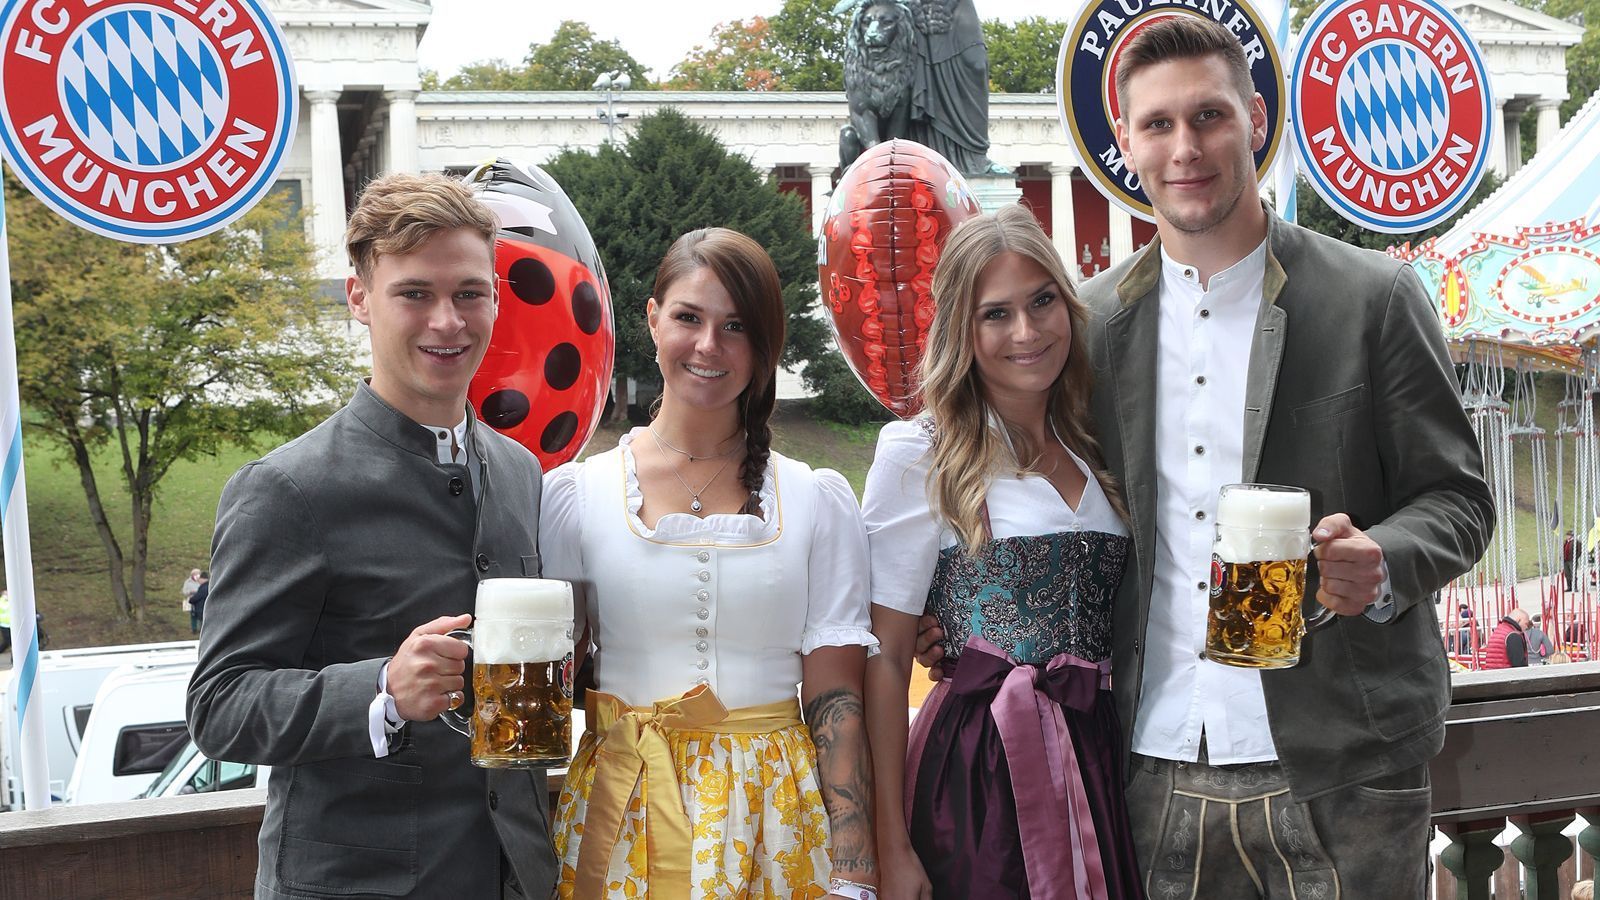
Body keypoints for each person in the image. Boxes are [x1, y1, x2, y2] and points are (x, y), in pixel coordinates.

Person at [916, 16, 1492, 898]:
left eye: (1210, 116)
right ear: (1126, 144)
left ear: (1255, 119)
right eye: (1157, 124)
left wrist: (1381, 564)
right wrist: (948, 610)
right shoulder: (1090, 324)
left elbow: (1457, 497)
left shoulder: (1372, 297)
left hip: (1343, 770)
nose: (1186, 148)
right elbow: (1010, 474)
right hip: (1150, 766)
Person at [187, 173, 557, 900]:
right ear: (359, 298)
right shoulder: (287, 488)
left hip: (511, 878)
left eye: (469, 293)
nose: (447, 321)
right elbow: (219, 706)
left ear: (496, 299)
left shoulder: (519, 471)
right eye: (415, 293)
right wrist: (382, 688)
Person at [540, 227, 879, 898]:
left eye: (735, 327)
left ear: (764, 347)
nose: (707, 346)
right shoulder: (575, 496)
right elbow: (555, 676)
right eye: (688, 318)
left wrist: (854, 865)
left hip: (778, 820)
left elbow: (836, 698)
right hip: (623, 805)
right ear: (651, 320)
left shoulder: (815, 499)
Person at [863, 205, 1143, 900]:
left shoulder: (1098, 438)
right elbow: (887, 655)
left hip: (1102, 750)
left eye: (1042, 301)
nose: (1027, 331)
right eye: (996, 314)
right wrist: (888, 841)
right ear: (962, 325)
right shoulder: (920, 453)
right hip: (980, 766)